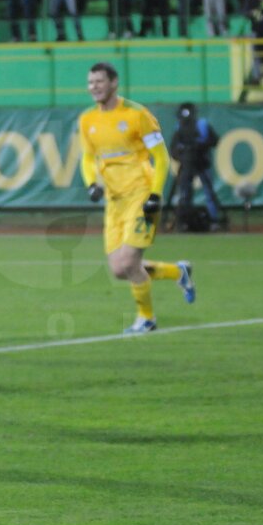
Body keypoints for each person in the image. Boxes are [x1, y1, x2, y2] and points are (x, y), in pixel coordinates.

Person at [79, 62, 196, 333]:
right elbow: (87, 157)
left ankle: (146, 318)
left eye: (99, 81)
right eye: (90, 82)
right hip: (114, 200)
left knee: (130, 261)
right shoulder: (87, 119)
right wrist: (90, 184)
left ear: (114, 83)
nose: (93, 87)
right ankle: (178, 272)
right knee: (119, 270)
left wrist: (156, 193)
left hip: (141, 195)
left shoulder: (136, 114)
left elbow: (161, 156)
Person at [169, 103, 222, 229]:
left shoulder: (202, 125)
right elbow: (174, 148)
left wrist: (199, 148)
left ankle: (213, 219)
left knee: (207, 191)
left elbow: (214, 141)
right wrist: (183, 156)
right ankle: (185, 220)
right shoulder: (180, 127)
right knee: (185, 192)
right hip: (189, 163)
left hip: (201, 162)